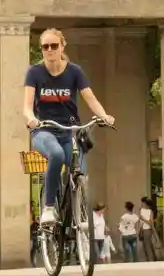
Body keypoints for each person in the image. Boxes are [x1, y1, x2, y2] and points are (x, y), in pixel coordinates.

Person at [23, 28, 115, 226]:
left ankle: (77, 214)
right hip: (44, 130)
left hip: (70, 131)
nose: (49, 50)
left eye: (54, 46)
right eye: (45, 46)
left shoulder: (75, 71)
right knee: (56, 155)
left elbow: (90, 98)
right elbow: (27, 106)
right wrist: (31, 118)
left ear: (62, 46)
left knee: (79, 171)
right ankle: (48, 208)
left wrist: (104, 116)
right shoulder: (35, 72)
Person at [139, 196, 156, 262]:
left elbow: (150, 223)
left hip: (147, 230)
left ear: (145, 203)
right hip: (142, 230)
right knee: (145, 246)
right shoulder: (141, 210)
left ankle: (151, 260)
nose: (141, 204)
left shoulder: (150, 211)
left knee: (148, 246)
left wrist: (143, 219)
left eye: (142, 203)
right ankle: (149, 259)